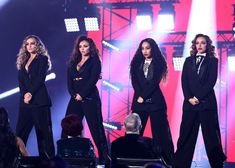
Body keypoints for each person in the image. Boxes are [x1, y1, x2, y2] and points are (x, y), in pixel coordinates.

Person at [173, 34, 227, 168]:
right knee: (185, 136)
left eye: (203, 43)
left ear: (207, 45)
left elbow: (211, 82)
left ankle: (217, 164)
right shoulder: (187, 60)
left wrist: (197, 97)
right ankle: (180, 164)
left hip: (206, 103)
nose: (200, 45)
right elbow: (184, 81)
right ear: (194, 45)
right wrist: (189, 98)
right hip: (189, 104)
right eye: (197, 43)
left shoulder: (213, 61)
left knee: (211, 137)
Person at [63, 35, 109, 166]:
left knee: (96, 128)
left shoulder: (95, 61)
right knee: (68, 126)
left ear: (91, 47)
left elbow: (92, 80)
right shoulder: (73, 62)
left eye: (85, 46)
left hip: (90, 98)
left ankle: (104, 158)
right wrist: (74, 94)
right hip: (75, 98)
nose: (83, 49)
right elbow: (69, 82)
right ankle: (65, 156)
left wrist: (82, 94)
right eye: (80, 46)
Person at [130, 38, 174, 165]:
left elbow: (154, 82)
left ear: (153, 48)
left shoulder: (159, 63)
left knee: (161, 134)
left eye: (147, 48)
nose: (145, 51)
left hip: (156, 103)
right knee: (134, 132)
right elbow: (135, 82)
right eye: (143, 48)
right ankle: (132, 159)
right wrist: (140, 96)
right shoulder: (136, 63)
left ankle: (168, 161)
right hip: (139, 103)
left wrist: (143, 96)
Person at [16, 35, 55, 158]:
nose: (29, 46)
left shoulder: (42, 59)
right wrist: (25, 95)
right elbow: (21, 81)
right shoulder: (23, 61)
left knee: (43, 134)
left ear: (37, 45)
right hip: (26, 103)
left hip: (40, 101)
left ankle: (48, 162)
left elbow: (40, 79)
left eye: (32, 43)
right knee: (20, 133)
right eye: (27, 44)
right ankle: (17, 160)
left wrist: (30, 93)